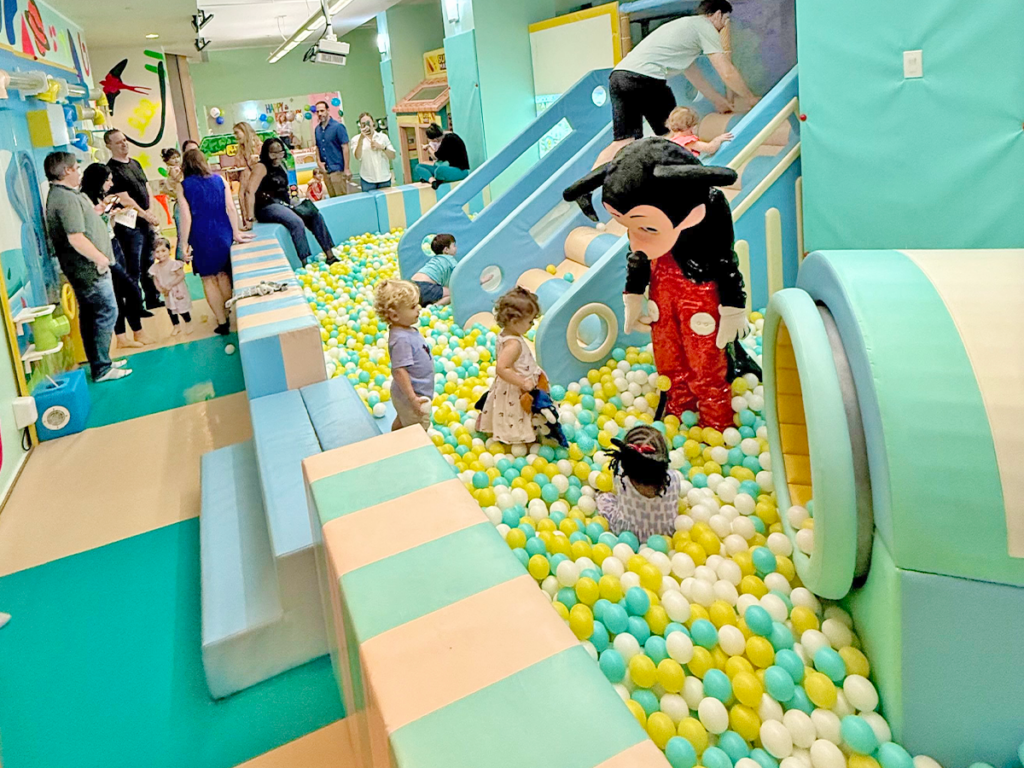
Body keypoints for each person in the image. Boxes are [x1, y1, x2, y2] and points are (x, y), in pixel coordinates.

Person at [597, 0, 758, 166]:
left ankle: (584, 189)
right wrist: (750, 98)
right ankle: (674, 179)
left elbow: (693, 75)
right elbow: (726, 71)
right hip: (645, 78)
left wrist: (717, 100)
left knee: (623, 141)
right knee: (676, 134)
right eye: (725, 19)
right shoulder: (705, 27)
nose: (724, 25)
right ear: (717, 14)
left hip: (619, 76)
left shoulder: (685, 28)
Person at [44, 151, 131, 381]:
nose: (79, 172)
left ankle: (101, 361)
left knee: (93, 315)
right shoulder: (65, 199)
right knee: (106, 311)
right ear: (66, 171)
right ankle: (102, 366)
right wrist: (100, 259)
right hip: (88, 270)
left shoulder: (69, 195)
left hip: (87, 269)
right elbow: (76, 238)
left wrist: (97, 213)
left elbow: (82, 221)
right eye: (77, 168)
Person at [177, 148, 253, 335]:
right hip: (222, 230)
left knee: (208, 278)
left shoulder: (183, 186)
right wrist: (235, 232)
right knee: (223, 274)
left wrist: (183, 244)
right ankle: (230, 312)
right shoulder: (220, 180)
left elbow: (185, 217)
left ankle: (221, 321)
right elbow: (230, 208)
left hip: (201, 233)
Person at [79, 163, 153, 350]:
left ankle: (132, 333)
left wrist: (112, 214)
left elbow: (104, 224)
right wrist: (104, 208)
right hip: (103, 250)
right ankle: (127, 334)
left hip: (113, 244)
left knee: (123, 291)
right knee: (128, 290)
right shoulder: (86, 199)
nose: (111, 184)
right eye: (108, 180)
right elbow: (90, 225)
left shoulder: (99, 197)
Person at [247, 138, 337, 266]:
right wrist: (249, 218)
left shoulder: (282, 164)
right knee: (296, 222)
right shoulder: (261, 167)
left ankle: (330, 255)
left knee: (314, 214)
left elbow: (285, 190)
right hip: (266, 206)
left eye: (280, 153)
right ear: (267, 153)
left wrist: (297, 202)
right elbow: (249, 192)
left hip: (284, 202)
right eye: (273, 153)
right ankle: (305, 262)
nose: (277, 157)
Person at [478, 287, 548, 446]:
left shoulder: (505, 334)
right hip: (514, 388)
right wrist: (523, 382)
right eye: (530, 321)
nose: (532, 325)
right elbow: (502, 368)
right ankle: (516, 439)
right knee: (517, 414)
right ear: (515, 321)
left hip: (511, 384)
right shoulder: (513, 344)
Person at [104, 129, 163, 309]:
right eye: (118, 142)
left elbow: (147, 187)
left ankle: (152, 298)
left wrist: (150, 211)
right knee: (133, 265)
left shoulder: (135, 163)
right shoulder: (112, 169)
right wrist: (144, 214)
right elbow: (124, 197)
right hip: (129, 224)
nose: (124, 144)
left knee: (149, 260)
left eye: (124, 140)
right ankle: (135, 303)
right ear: (109, 146)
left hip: (145, 220)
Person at [597, 426, 682, 542]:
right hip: (663, 536)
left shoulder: (622, 477)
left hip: (628, 534)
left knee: (604, 497)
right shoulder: (674, 479)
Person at [374, 280, 433, 432]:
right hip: (412, 396)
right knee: (417, 429)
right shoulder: (401, 339)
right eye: (413, 307)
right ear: (394, 316)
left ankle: (394, 438)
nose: (419, 308)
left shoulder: (406, 330)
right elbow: (399, 371)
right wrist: (413, 399)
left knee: (403, 419)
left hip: (410, 394)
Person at [148, 237, 193, 336]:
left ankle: (188, 323)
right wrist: (160, 289)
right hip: (167, 293)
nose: (160, 254)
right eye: (157, 252)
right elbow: (155, 280)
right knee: (170, 310)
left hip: (177, 291)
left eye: (163, 250)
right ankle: (176, 326)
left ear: (169, 250)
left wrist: (171, 285)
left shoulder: (174, 264)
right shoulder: (155, 268)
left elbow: (181, 275)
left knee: (182, 308)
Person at [313, 101, 351, 198]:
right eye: (318, 112)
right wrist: (318, 161)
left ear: (328, 110)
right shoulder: (317, 129)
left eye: (322, 110)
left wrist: (346, 169)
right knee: (332, 198)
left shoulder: (338, 127)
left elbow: (345, 147)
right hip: (326, 171)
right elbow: (317, 146)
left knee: (341, 198)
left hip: (337, 169)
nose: (320, 114)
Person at [414, 124, 470, 188]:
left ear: (435, 139)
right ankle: (432, 181)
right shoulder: (445, 138)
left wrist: (429, 147)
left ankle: (431, 178)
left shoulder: (449, 138)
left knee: (439, 170)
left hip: (460, 170)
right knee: (419, 166)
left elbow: (436, 156)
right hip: (448, 167)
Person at [351, 112, 395, 192]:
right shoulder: (356, 139)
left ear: (373, 123)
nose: (366, 125)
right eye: (363, 124)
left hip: (384, 178)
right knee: (369, 203)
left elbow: (392, 156)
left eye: (368, 122)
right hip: (368, 180)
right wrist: (361, 140)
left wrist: (381, 147)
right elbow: (357, 156)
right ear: (360, 126)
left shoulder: (383, 137)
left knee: (386, 202)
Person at [411, 233, 458, 306]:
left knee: (435, 293)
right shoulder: (449, 259)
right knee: (452, 294)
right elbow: (459, 272)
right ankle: (434, 307)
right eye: (454, 246)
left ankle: (425, 305)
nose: (456, 248)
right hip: (425, 286)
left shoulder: (435, 259)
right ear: (446, 250)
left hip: (412, 284)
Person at [666, 106, 733, 157]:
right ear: (691, 127)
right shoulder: (687, 141)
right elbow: (710, 148)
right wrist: (718, 139)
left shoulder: (672, 141)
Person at [232, 123, 262, 228]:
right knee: (242, 195)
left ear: (244, 132)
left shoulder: (258, 146)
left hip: (256, 180)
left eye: (237, 133)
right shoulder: (240, 149)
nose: (235, 136)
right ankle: (248, 221)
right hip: (244, 181)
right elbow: (238, 165)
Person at [159, 148, 187, 260]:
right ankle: (179, 259)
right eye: (173, 158)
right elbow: (176, 178)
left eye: (177, 157)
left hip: (180, 198)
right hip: (177, 199)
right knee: (181, 234)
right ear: (167, 160)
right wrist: (182, 170)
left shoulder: (176, 167)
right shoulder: (172, 169)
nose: (176, 160)